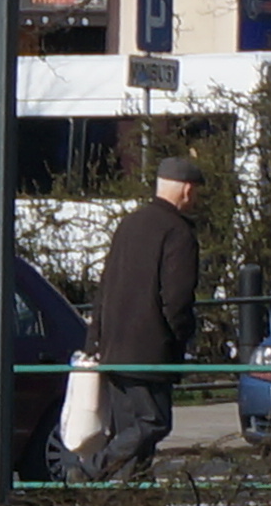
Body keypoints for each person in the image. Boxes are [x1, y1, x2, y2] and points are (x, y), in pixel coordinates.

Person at [77, 153, 206, 481]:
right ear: (187, 190)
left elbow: (104, 287)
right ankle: (93, 467)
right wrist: (178, 341)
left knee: (131, 433)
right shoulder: (179, 233)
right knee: (154, 422)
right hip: (150, 351)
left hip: (113, 346)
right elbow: (176, 300)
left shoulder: (129, 224)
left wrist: (95, 339)